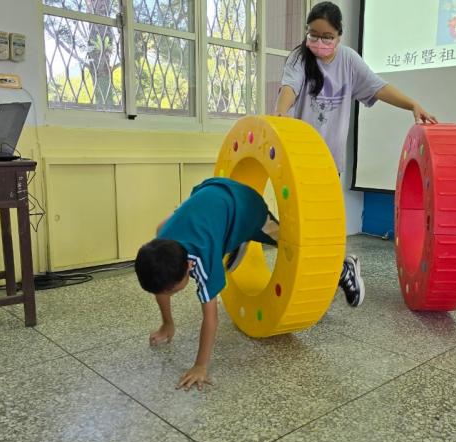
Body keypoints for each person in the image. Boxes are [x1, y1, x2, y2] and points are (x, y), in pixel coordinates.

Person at [274, 1, 437, 309]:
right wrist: (281, 113)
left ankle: (340, 269)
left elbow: (378, 87)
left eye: (327, 36)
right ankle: (337, 272)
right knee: (300, 228)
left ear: (339, 35)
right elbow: (289, 88)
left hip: (327, 162)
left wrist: (412, 105)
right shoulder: (299, 57)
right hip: (298, 159)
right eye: (313, 34)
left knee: (319, 226)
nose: (318, 42)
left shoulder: (348, 60)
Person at [134, 177, 279, 391]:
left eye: (172, 291)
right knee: (168, 227)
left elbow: (210, 319)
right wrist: (167, 324)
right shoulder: (161, 239)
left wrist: (200, 366)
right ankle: (232, 238)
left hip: (248, 207)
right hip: (213, 190)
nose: (168, 294)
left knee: (284, 239)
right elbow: (161, 287)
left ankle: (240, 237)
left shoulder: (203, 263)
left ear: (189, 266)